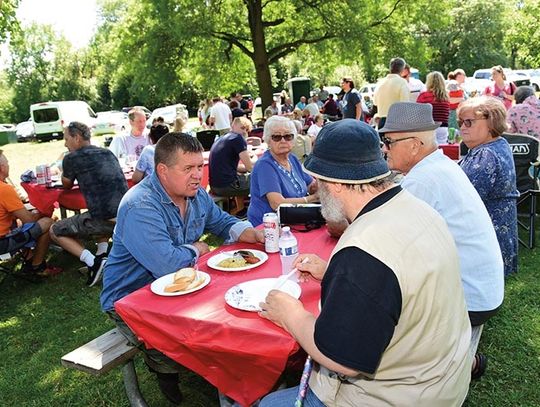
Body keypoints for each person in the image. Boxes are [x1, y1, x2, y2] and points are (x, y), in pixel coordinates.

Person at [259, 119, 471, 406]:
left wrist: (290, 314)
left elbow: (341, 359)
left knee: (267, 403)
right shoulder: (417, 208)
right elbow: (398, 281)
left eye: (318, 181)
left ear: (333, 184)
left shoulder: (363, 251)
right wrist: (334, 272)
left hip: (397, 396)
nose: (317, 188)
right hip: (440, 379)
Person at [100, 133, 264, 405]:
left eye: (200, 166)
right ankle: (163, 368)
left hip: (181, 287)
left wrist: (247, 232)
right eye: (188, 168)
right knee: (190, 348)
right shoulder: (139, 205)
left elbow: (221, 221)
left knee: (229, 319)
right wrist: (196, 250)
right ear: (162, 171)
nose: (198, 175)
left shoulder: (196, 194)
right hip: (132, 299)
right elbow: (166, 265)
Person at [380, 102, 504, 380]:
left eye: (388, 141)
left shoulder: (422, 181)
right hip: (483, 289)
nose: (384, 148)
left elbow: (393, 245)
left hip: (471, 297)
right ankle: (463, 361)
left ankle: (456, 366)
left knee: (385, 300)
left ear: (414, 145)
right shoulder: (437, 167)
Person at [50, 122, 128, 286]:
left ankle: (93, 262)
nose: (65, 144)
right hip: (127, 216)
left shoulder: (71, 158)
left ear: (76, 138)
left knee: (54, 230)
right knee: (100, 208)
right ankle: (102, 254)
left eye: (66, 139)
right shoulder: (107, 153)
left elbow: (66, 184)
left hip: (104, 220)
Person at [458, 96, 519, 276]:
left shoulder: (486, 154)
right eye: (461, 122)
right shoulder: (497, 144)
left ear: (491, 122)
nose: (462, 127)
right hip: (497, 235)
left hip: (487, 241)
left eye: (469, 122)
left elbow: (464, 199)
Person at [247, 116, 318, 226]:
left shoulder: (292, 158)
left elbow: (311, 186)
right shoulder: (265, 165)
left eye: (288, 136)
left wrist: (323, 182)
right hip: (269, 227)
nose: (283, 140)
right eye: (276, 137)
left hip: (295, 220)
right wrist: (312, 199)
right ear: (268, 140)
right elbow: (277, 203)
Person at [0, 150, 60, 277]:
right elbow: (30, 221)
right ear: (2, 168)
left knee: (19, 223)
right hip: (3, 243)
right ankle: (37, 267)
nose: (9, 166)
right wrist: (42, 213)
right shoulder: (4, 189)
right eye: (8, 163)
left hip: (5, 234)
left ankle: (29, 258)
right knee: (47, 222)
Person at [209, 117, 257, 215]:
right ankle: (259, 211)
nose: (244, 131)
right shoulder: (237, 138)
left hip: (214, 186)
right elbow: (250, 168)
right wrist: (254, 157)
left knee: (242, 177)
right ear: (233, 125)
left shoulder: (223, 138)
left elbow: (232, 168)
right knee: (262, 178)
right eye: (242, 127)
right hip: (227, 186)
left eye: (247, 129)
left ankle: (241, 210)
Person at [373, 57, 410, 129]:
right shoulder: (402, 82)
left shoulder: (380, 83)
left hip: (382, 122)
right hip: (397, 121)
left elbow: (375, 102)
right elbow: (405, 104)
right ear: (402, 69)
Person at [417, 71, 450, 144]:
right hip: (443, 127)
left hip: (428, 128)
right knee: (442, 148)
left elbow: (418, 112)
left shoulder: (424, 96)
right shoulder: (445, 98)